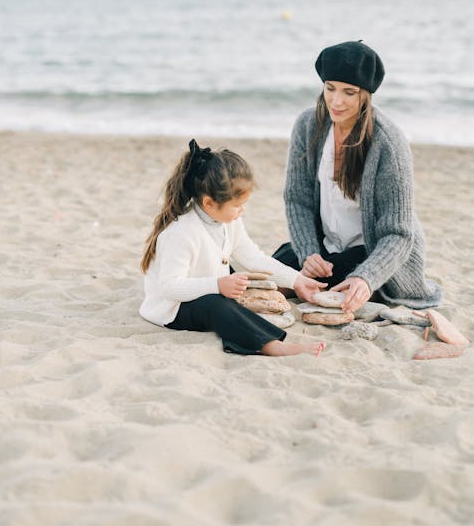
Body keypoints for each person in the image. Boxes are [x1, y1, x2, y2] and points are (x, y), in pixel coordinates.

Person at [273, 40, 442, 313]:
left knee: (308, 288)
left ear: (365, 94)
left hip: (371, 251)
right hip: (324, 245)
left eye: (349, 92)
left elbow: (398, 233)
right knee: (261, 277)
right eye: (330, 89)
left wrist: (366, 278)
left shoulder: (388, 142)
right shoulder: (308, 125)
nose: (336, 101)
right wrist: (308, 253)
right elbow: (297, 200)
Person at [140, 139, 327, 357]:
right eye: (237, 205)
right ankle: (271, 345)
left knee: (240, 277)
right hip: (173, 308)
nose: (242, 210)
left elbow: (254, 258)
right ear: (209, 203)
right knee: (217, 306)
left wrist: (297, 281)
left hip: (207, 283)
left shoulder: (229, 221)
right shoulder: (181, 233)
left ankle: (254, 312)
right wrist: (218, 285)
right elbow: (170, 287)